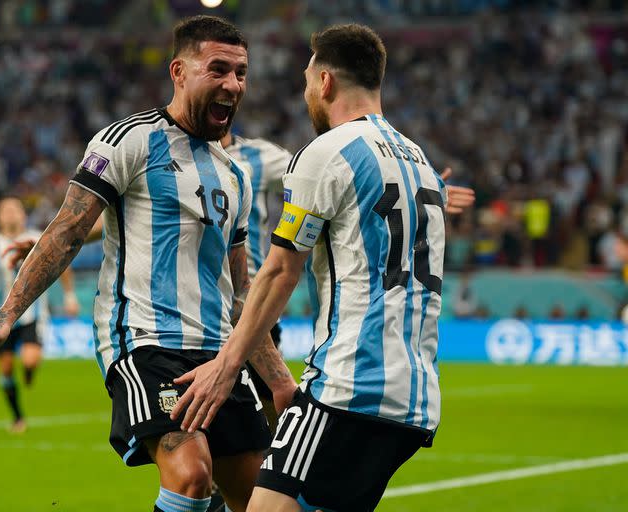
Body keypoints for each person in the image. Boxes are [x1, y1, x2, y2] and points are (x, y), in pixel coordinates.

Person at [0, 16, 294, 512]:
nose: (232, 84)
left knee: (261, 499)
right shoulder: (127, 141)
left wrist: (280, 380)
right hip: (145, 342)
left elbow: (241, 294)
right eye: (218, 69)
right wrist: (6, 317)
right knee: (191, 473)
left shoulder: (236, 177)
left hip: (218, 355)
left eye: (241, 73)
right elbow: (68, 230)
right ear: (179, 71)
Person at [172, 24, 446, 511]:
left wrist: (226, 365)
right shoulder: (419, 161)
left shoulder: (326, 153)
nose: (305, 95)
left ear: (324, 82)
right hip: (415, 400)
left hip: (347, 388)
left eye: (305, 82)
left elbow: (279, 272)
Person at [0, 195, 80, 433]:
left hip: (33, 313)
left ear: (23, 214)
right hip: (1, 317)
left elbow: (61, 264)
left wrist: (69, 297)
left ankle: (29, 372)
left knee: (30, 360)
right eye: (5, 210)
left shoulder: (37, 237)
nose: (10, 213)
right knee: (7, 368)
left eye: (15, 209)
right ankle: (18, 417)